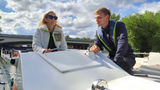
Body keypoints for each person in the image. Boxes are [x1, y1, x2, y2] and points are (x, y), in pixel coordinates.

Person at [90, 8, 136, 74]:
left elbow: (122, 43)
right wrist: (94, 48)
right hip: (113, 58)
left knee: (120, 68)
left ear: (107, 17)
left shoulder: (119, 25)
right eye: (95, 18)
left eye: (99, 17)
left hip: (127, 57)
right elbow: (97, 44)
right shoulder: (98, 32)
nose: (96, 20)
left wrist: (116, 61)